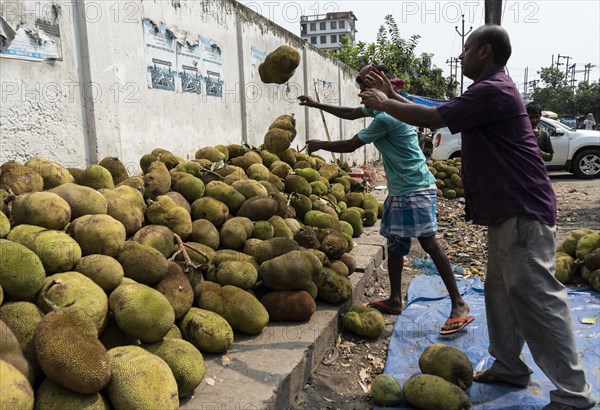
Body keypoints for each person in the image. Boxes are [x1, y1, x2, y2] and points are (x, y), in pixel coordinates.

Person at [358, 25, 596, 410]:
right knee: (501, 293)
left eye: (466, 48)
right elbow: (433, 107)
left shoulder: (493, 90)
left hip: (522, 208)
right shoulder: (486, 90)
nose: (462, 55)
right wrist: (392, 94)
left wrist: (385, 102)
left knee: (537, 297)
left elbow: (434, 117)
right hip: (507, 210)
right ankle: (509, 366)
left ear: (484, 51)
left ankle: (573, 394)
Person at [298, 64, 474, 336]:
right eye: (361, 87)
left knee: (428, 242)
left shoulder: (387, 118)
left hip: (415, 186)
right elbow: (350, 113)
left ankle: (459, 303)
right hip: (401, 188)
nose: (362, 93)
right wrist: (315, 104)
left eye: (367, 87)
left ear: (383, 86)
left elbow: (351, 145)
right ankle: (395, 299)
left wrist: (321, 144)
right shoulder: (384, 109)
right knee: (395, 242)